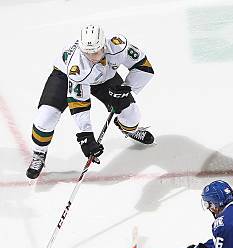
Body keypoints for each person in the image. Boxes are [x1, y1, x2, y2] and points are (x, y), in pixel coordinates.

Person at [26, 24, 155, 179]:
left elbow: (144, 66)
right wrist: (86, 135)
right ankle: (39, 153)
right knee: (45, 118)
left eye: (96, 51)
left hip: (104, 77)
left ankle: (128, 129)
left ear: (104, 45)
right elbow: (79, 102)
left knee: (132, 115)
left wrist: (128, 87)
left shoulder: (118, 46)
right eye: (88, 52)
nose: (92, 57)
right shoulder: (77, 65)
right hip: (65, 76)